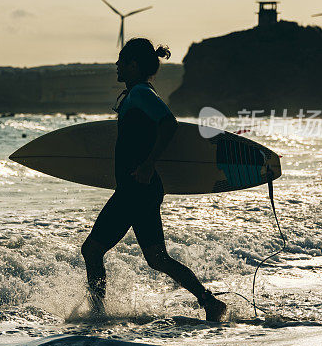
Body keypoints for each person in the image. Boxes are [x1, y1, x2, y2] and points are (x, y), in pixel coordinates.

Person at [80, 37, 228, 322]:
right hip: (140, 189)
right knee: (157, 258)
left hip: (136, 189)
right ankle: (210, 303)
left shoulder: (140, 94)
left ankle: (97, 313)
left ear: (134, 65)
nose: (117, 64)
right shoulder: (137, 93)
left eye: (122, 60)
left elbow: (169, 123)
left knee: (92, 249)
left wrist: (148, 164)